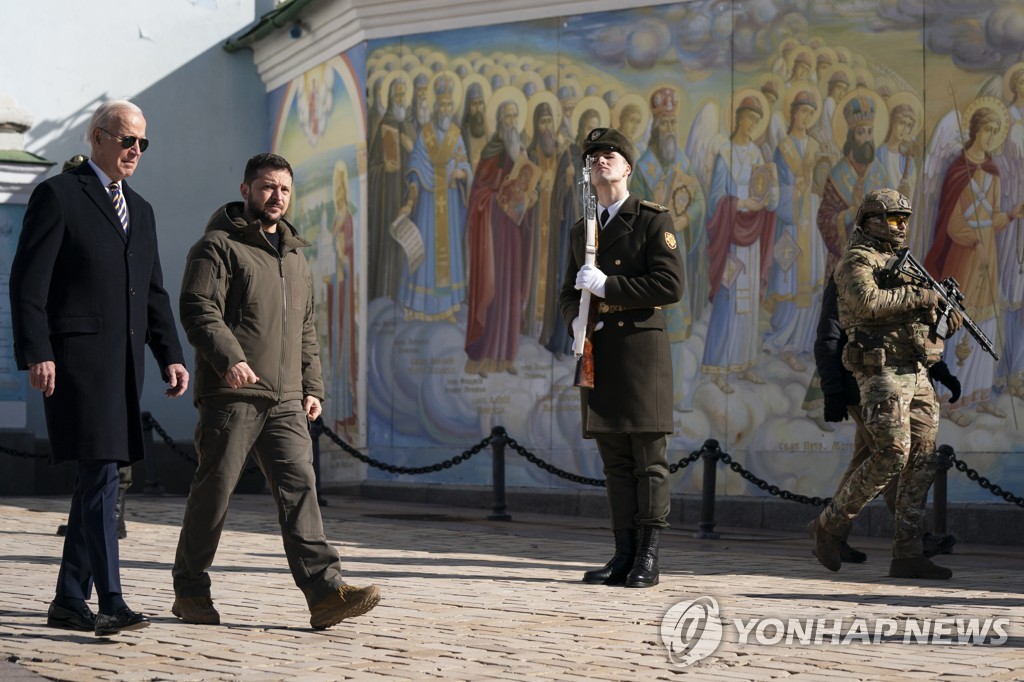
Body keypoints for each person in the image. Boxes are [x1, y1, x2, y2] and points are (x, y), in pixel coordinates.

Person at [172, 153, 380, 629]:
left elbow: (306, 328)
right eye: (267, 187)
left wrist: (312, 387)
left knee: (301, 490)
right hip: (234, 396)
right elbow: (199, 308)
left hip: (286, 401)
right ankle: (190, 590)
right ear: (245, 189)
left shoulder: (295, 256)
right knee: (215, 493)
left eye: (284, 189)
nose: (277, 197)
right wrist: (232, 360)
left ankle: (326, 593)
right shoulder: (217, 247)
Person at [10, 100, 189, 636]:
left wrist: (172, 354)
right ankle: (109, 598)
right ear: (97, 138)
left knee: (100, 479)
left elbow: (152, 292)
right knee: (102, 476)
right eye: (126, 139)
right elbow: (27, 284)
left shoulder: (144, 210)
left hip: (125, 366)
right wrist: (36, 350)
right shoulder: (59, 195)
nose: (136, 150)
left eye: (143, 143)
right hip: (75, 364)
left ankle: (69, 598)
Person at [808, 188, 958, 580]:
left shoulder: (901, 263)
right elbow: (868, 304)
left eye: (905, 218)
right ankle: (830, 524)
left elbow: (916, 324)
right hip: (881, 372)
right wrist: (921, 294)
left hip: (915, 370)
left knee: (922, 461)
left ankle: (908, 552)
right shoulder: (857, 261)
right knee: (892, 453)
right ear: (870, 221)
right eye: (893, 218)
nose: (902, 225)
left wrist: (942, 323)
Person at [557, 128, 684, 588]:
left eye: (608, 155)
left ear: (628, 167)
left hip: (640, 353)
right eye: (592, 158)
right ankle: (622, 553)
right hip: (599, 352)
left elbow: (669, 286)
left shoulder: (651, 219)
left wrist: (608, 288)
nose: (599, 162)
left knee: (648, 459)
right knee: (614, 462)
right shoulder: (581, 229)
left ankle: (648, 557)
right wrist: (575, 318)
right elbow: (567, 292)